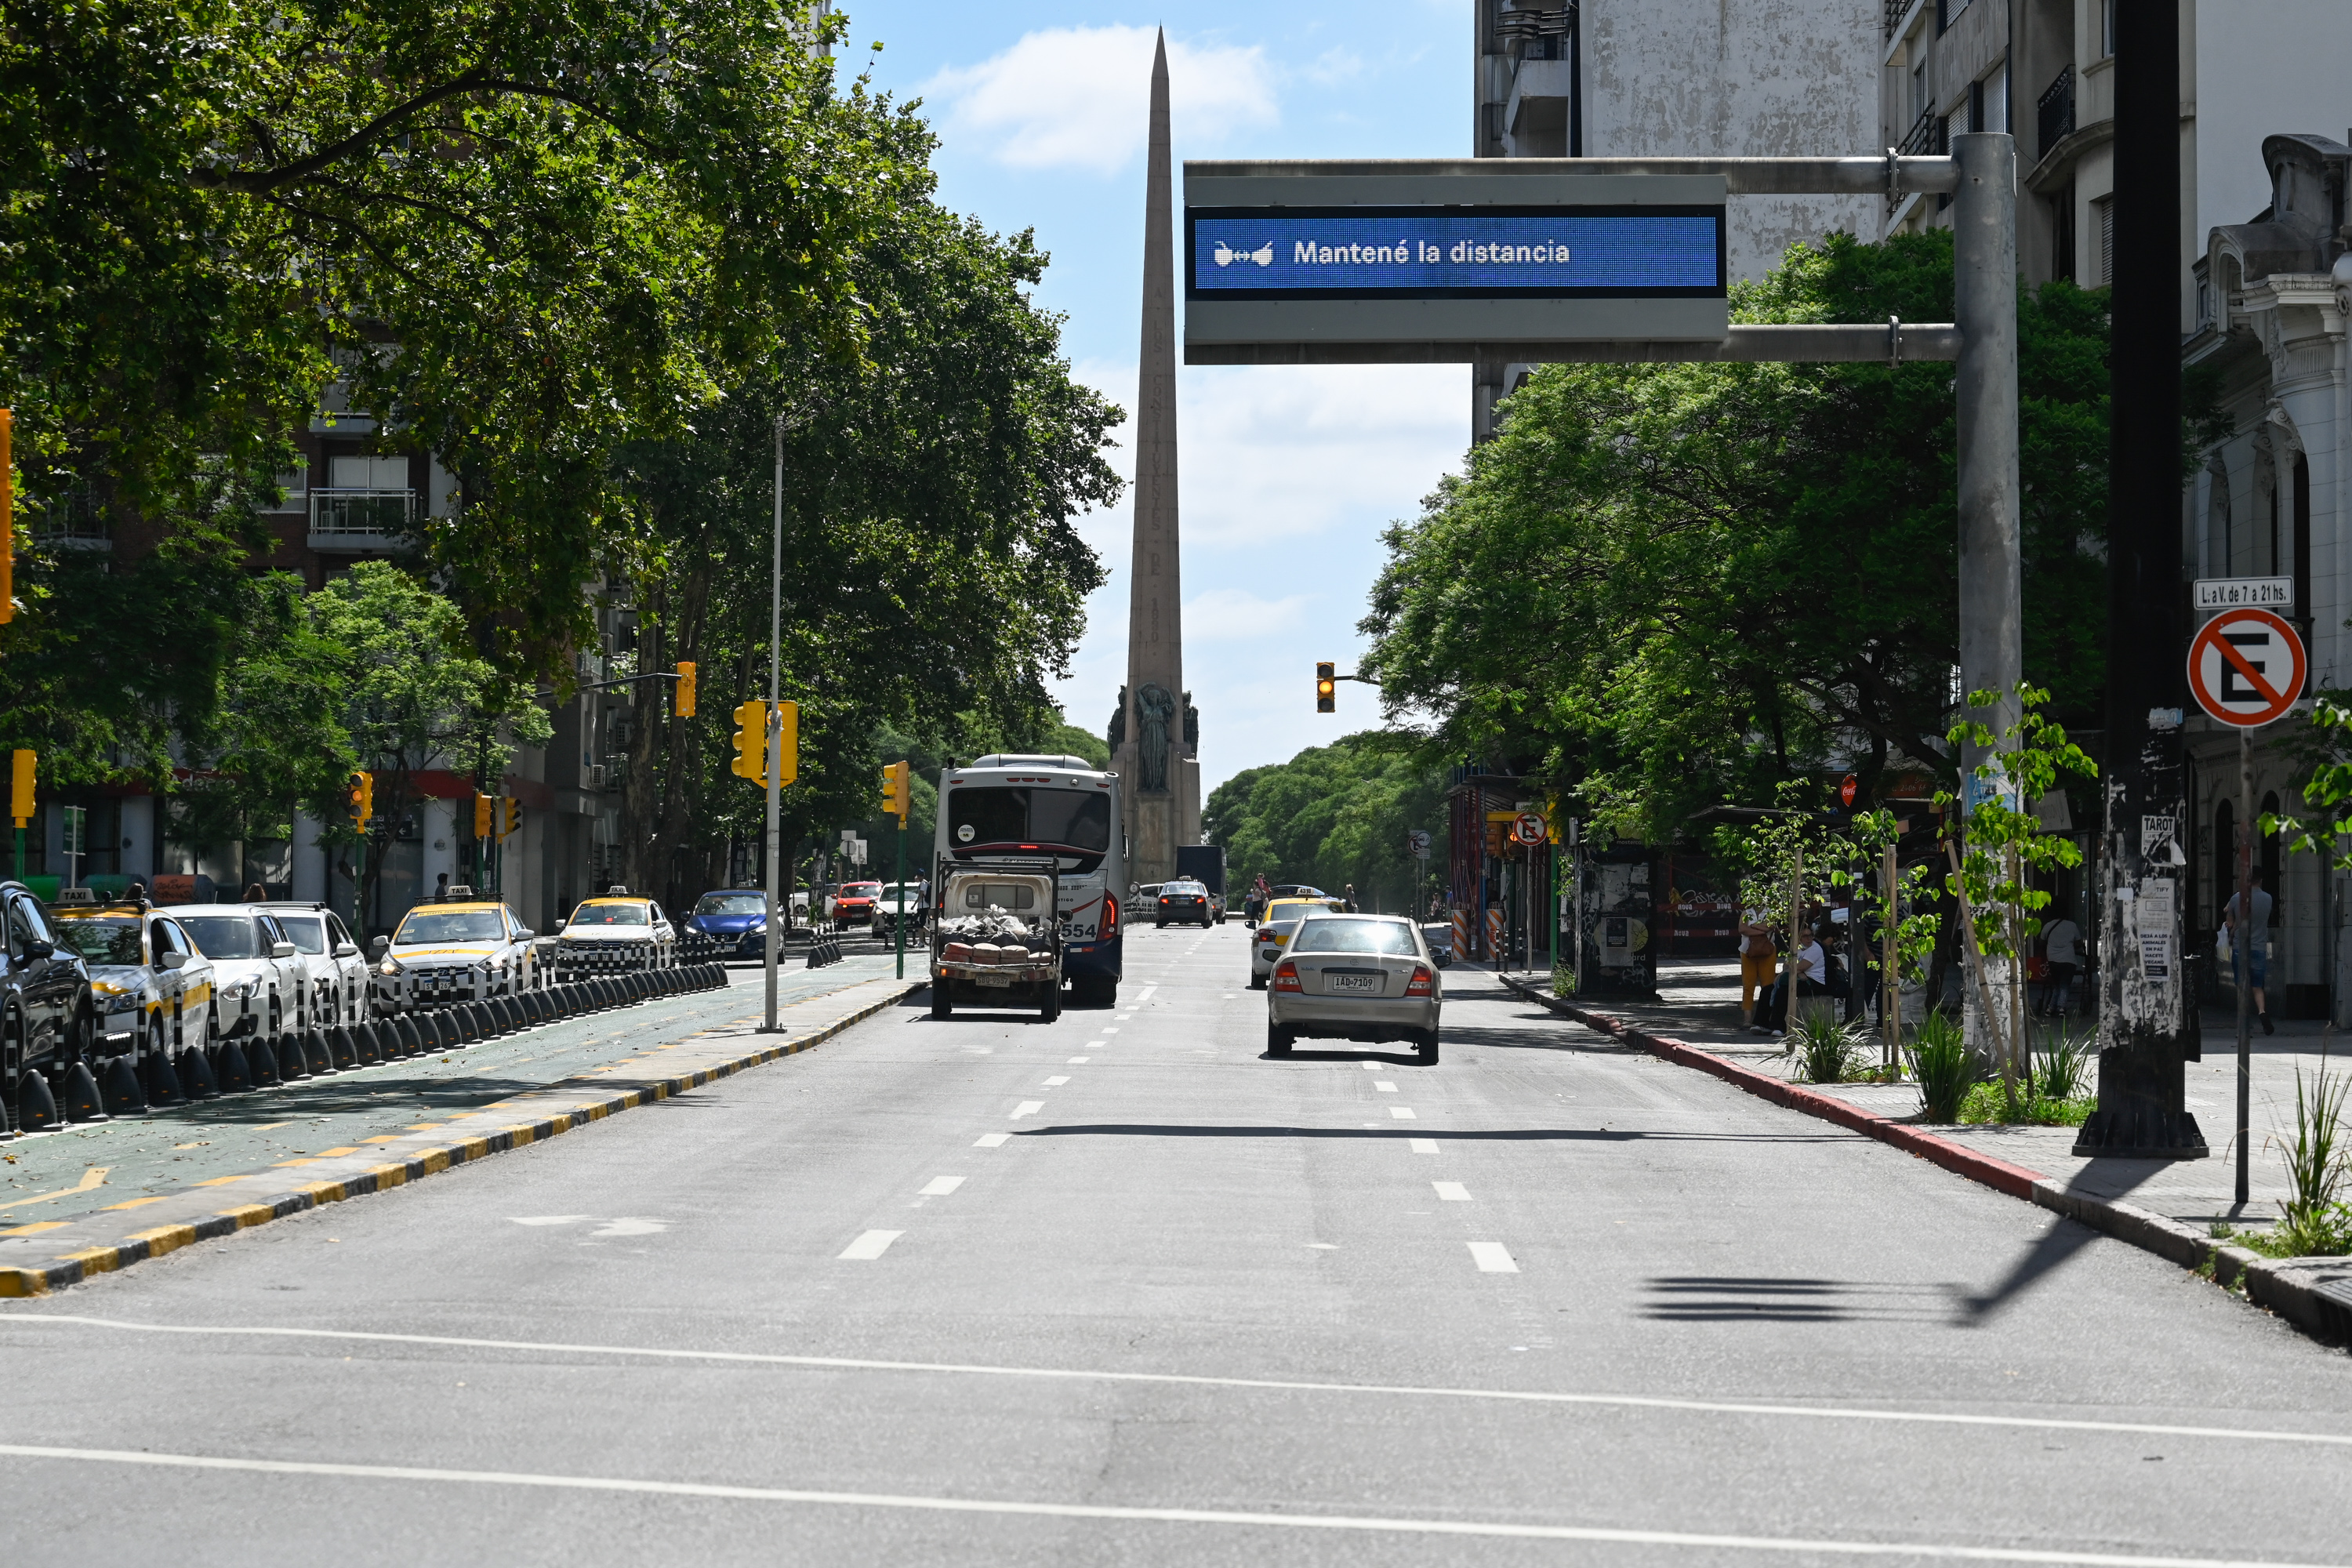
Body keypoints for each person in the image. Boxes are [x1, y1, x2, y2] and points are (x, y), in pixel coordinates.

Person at [2223, 867, 2275, 1035]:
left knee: (2242, 987)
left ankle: (2244, 1026)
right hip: (2259, 948)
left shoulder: (2236, 898)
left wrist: (2229, 912)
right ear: (2261, 880)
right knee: (2257, 986)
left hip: (2240, 947)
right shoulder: (2268, 899)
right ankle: (2262, 1011)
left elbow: (2230, 922)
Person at [2036, 913, 2082, 1017]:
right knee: (2064, 985)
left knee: (2057, 985)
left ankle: (2050, 1008)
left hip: (2053, 960)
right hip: (2068, 959)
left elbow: (2041, 942)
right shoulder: (2072, 926)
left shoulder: (2048, 926)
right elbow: (2078, 943)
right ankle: (2061, 1008)